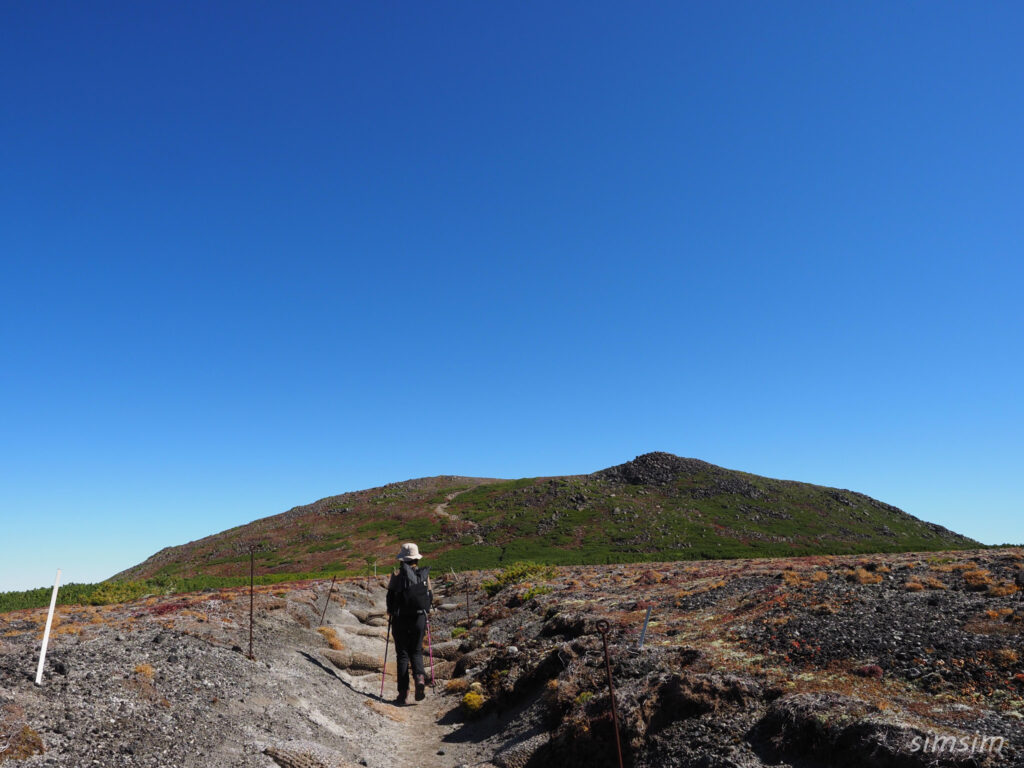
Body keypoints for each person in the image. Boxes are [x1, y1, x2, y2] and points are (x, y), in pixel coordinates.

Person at [385, 542, 432, 705]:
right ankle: (420, 678)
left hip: (400, 619)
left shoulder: (397, 576)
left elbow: (390, 599)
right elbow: (430, 598)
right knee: (417, 651)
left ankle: (403, 694)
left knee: (403, 655)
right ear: (416, 560)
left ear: (402, 560)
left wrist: (391, 611)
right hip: (419, 619)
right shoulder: (424, 576)